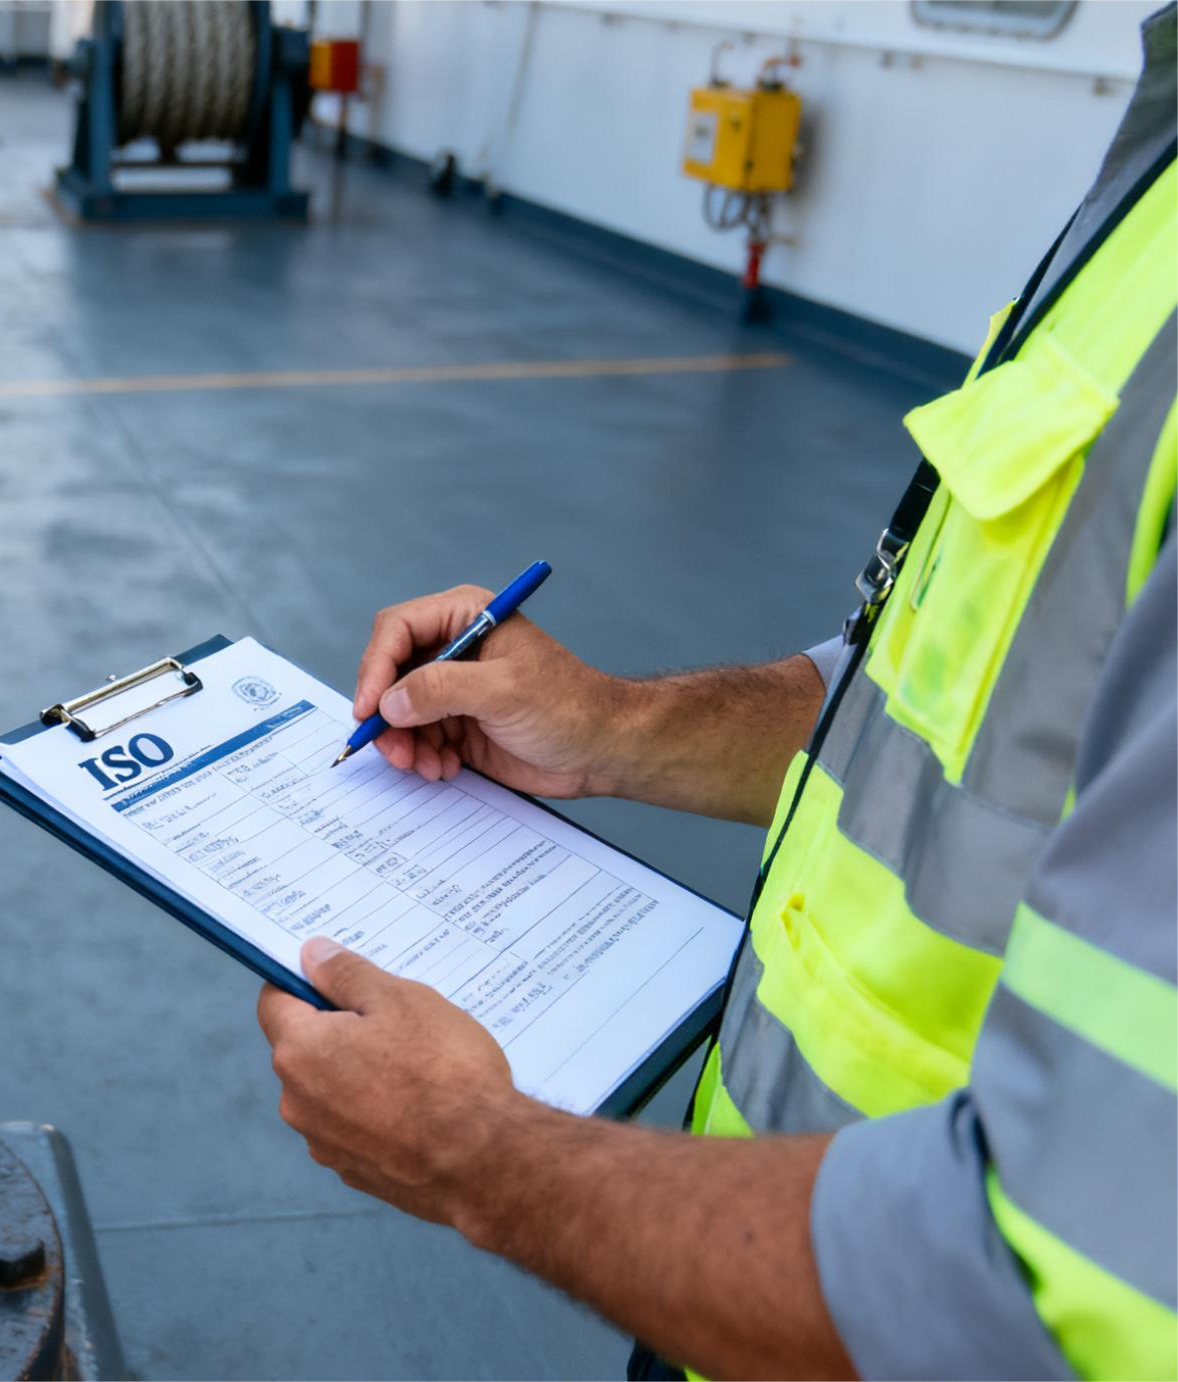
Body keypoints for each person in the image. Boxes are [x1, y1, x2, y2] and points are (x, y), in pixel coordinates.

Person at [255, 9, 1178, 1379]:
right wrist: (611, 727)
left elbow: (1047, 1297)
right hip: (733, 1294)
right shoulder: (1155, 171)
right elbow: (969, 715)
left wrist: (472, 1152)